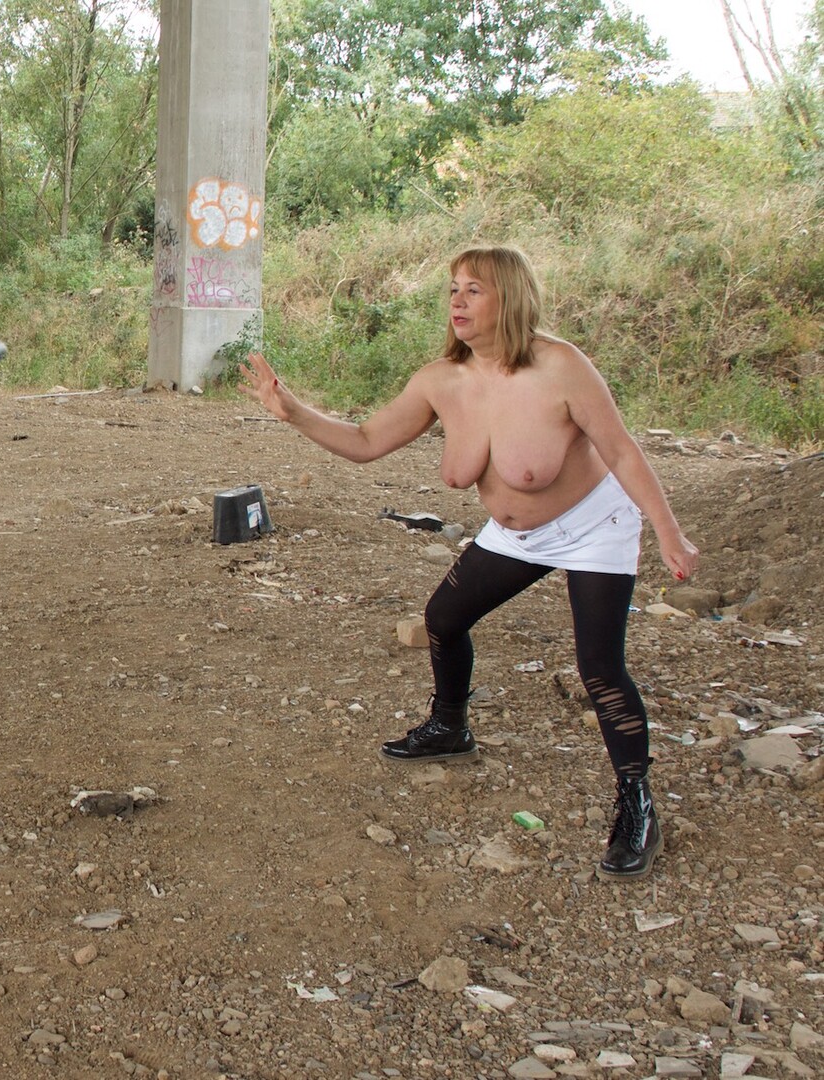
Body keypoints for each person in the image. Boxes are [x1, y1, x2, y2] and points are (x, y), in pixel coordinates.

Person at [240, 245, 698, 880]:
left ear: (510, 297)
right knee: (444, 619)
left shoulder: (561, 367)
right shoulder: (441, 380)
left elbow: (620, 451)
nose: (456, 301)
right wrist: (293, 411)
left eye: (473, 290)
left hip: (593, 527)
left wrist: (669, 533)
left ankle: (637, 804)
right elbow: (367, 441)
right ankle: (450, 726)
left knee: (599, 666)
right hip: (513, 534)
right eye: (453, 288)